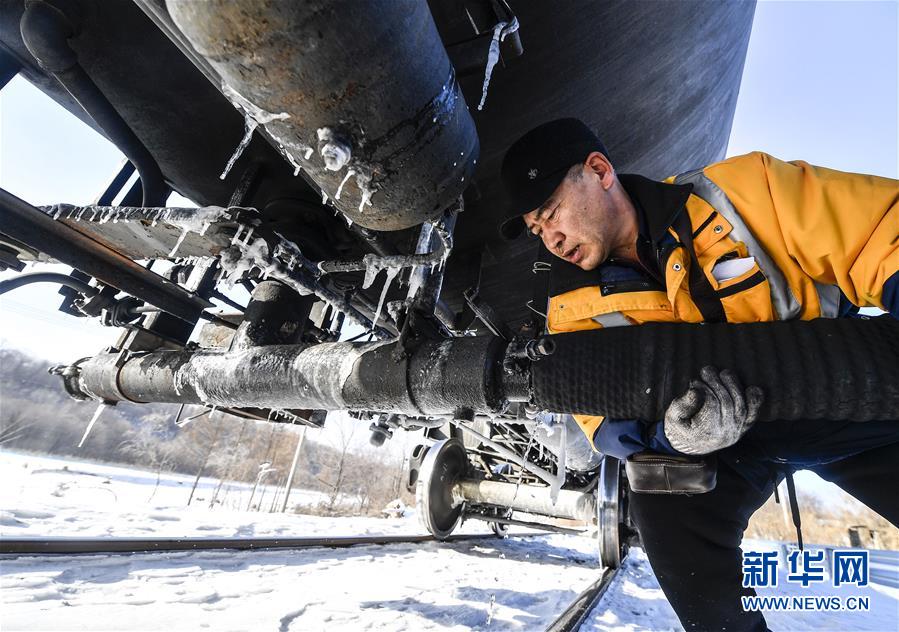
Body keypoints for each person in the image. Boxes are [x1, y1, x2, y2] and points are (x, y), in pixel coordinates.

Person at [499, 118, 899, 632]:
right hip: (727, 446)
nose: (550, 239)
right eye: (537, 230)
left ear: (599, 171)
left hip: (838, 396)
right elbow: (600, 422)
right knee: (663, 505)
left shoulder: (741, 194)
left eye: (551, 213)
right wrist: (673, 437)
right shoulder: (571, 313)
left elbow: (874, 229)